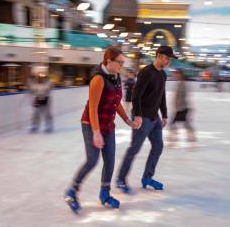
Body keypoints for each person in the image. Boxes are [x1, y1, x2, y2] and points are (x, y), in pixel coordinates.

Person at [64, 47, 133, 212]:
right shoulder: (98, 79)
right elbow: (92, 109)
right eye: (119, 62)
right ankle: (71, 191)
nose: (122, 66)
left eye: (123, 63)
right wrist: (96, 132)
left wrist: (127, 120)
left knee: (110, 160)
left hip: (108, 124)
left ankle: (105, 194)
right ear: (108, 61)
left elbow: (116, 104)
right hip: (91, 123)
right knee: (92, 160)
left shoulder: (116, 77)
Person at [116, 46, 177, 193]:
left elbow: (161, 95)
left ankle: (147, 177)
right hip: (142, 117)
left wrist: (165, 114)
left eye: (169, 59)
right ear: (158, 56)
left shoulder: (162, 75)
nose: (168, 61)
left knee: (158, 146)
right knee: (135, 148)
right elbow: (136, 95)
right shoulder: (146, 72)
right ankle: (121, 179)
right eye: (167, 58)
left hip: (154, 117)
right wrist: (137, 115)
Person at [168, 68, 196, 143]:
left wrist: (188, 107)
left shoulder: (184, 83)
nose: (174, 75)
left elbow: (186, 96)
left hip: (183, 108)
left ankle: (174, 138)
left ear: (180, 74)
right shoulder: (180, 82)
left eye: (176, 73)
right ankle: (191, 137)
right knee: (185, 124)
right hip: (180, 108)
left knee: (173, 124)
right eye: (174, 74)